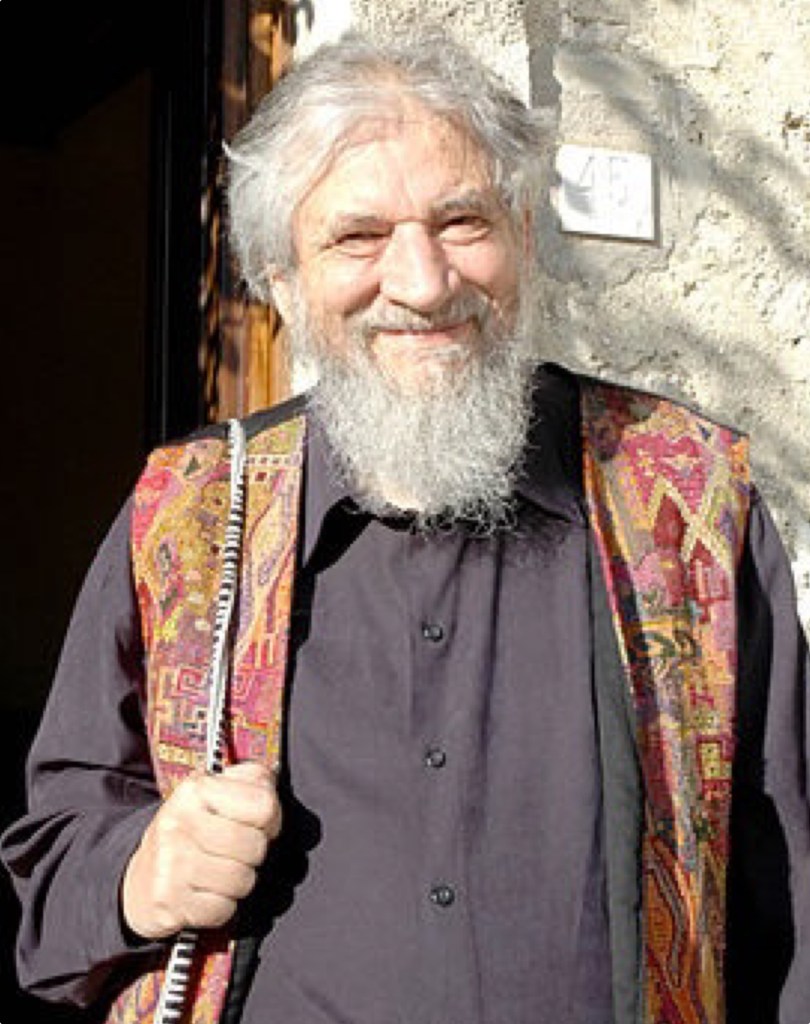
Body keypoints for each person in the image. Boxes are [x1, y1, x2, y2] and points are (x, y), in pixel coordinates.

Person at [2, 29, 809, 1024]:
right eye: (359, 236)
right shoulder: (188, 513)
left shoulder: (690, 499)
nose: (424, 283)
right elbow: (52, 870)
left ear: (522, 232)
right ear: (282, 279)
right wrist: (141, 871)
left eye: (463, 221)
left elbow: (791, 890)